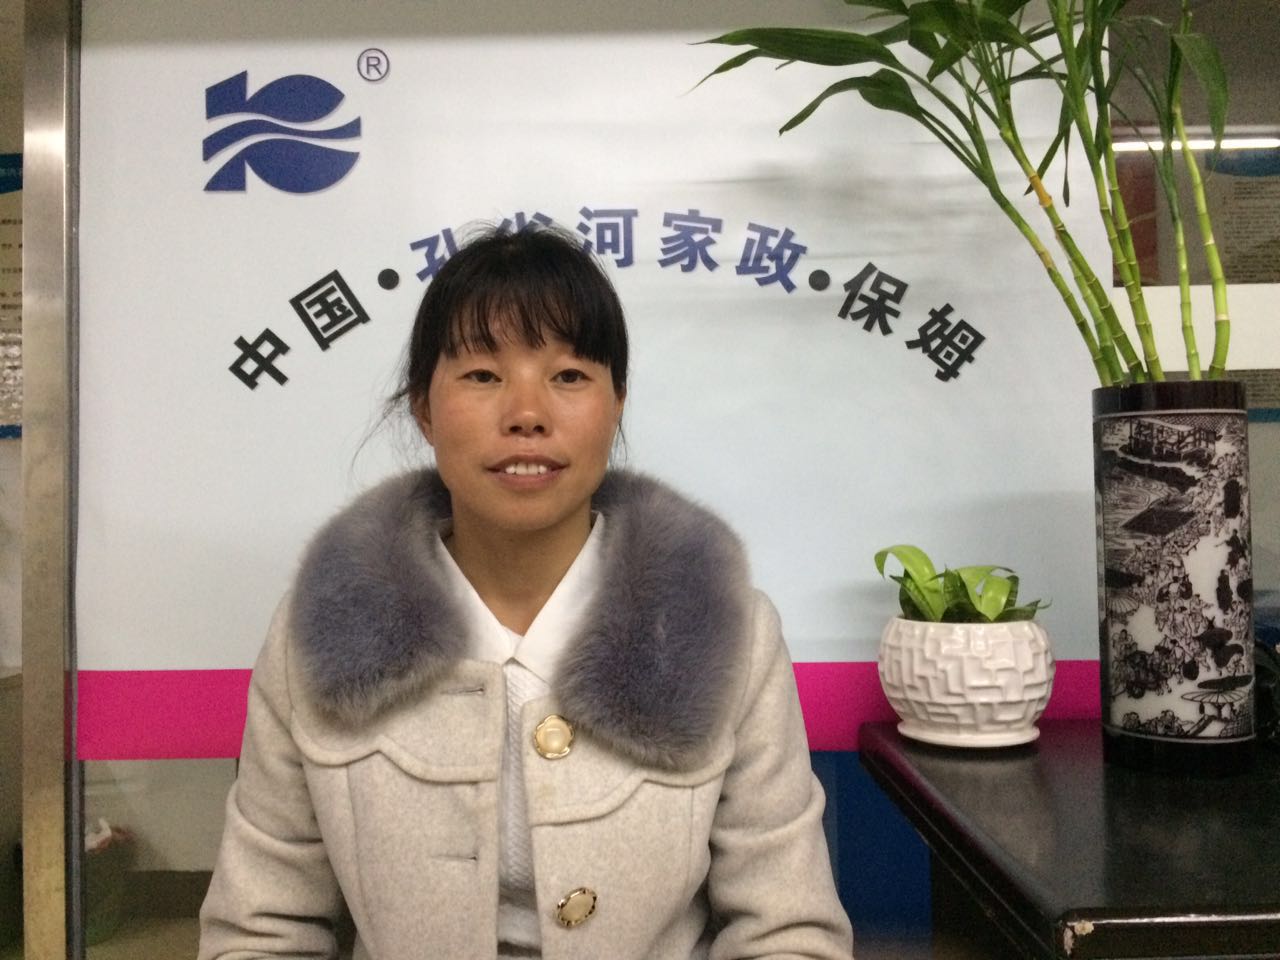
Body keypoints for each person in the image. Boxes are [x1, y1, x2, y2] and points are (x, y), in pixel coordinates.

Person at [198, 226, 854, 959]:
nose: (527, 413)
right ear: (423, 409)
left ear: (616, 404)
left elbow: (786, 930)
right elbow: (261, 929)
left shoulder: (721, 629)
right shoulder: (319, 634)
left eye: (568, 376)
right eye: (483, 375)